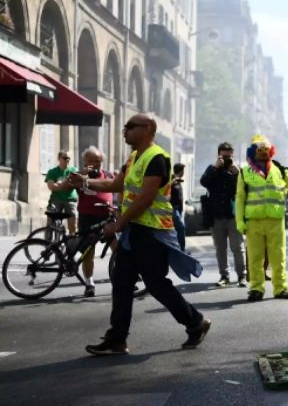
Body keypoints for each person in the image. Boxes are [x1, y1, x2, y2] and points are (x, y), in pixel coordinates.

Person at [70, 113, 209, 355]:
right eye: (125, 127)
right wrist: (84, 182)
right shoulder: (134, 157)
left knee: (156, 284)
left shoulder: (157, 158)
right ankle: (117, 338)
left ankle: (195, 322)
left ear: (148, 129)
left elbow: (145, 198)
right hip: (135, 231)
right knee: (122, 282)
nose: (125, 131)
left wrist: (118, 224)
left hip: (153, 231)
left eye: (130, 127)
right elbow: (116, 185)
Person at [235, 134, 288, 301]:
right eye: (259, 149)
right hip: (254, 222)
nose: (263, 152)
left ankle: (280, 288)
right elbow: (240, 198)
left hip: (276, 221)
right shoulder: (245, 172)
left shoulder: (279, 170)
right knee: (255, 258)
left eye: (266, 149)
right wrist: (239, 220)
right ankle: (256, 288)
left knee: (278, 256)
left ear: (271, 151)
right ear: (253, 151)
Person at [200, 142, 246, 287]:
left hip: (233, 216)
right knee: (220, 248)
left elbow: (247, 188)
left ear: (233, 154)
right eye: (224, 154)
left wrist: (238, 173)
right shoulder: (212, 168)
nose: (227, 157)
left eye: (229, 153)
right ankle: (224, 276)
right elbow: (204, 182)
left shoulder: (237, 171)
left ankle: (241, 276)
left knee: (238, 247)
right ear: (219, 154)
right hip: (216, 216)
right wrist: (215, 167)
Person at [75, 146, 115, 297]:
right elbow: (66, 186)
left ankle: (125, 279)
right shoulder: (79, 176)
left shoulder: (108, 175)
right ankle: (89, 283)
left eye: (97, 160)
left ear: (102, 161)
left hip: (107, 217)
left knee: (118, 248)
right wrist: (81, 177)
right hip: (87, 218)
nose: (94, 163)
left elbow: (118, 188)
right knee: (88, 253)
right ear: (85, 161)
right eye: (90, 160)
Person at [45, 150, 78, 234]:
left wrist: (59, 185)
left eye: (69, 158)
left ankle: (71, 244)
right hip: (56, 199)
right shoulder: (52, 172)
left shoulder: (73, 170)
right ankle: (47, 243)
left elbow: (75, 184)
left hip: (70, 200)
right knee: (50, 224)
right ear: (59, 159)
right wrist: (66, 185)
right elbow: (51, 186)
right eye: (65, 158)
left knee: (73, 225)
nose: (67, 160)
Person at [171, 163, 186, 251]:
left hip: (178, 210)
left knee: (178, 230)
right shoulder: (172, 180)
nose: (183, 172)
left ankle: (178, 248)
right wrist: (172, 183)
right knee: (181, 228)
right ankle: (181, 249)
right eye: (183, 170)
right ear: (180, 171)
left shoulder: (179, 181)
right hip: (173, 209)